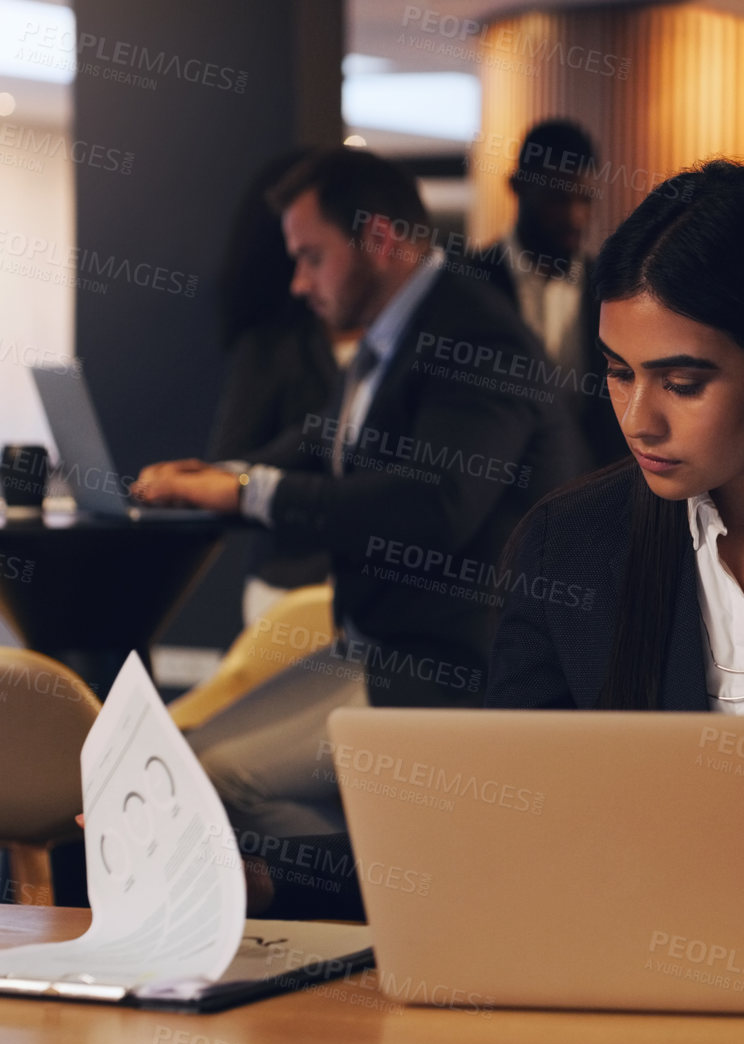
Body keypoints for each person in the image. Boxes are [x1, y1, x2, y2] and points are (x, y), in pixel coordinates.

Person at [235, 160, 744, 964]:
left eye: (683, 382)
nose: (638, 420)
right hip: (649, 972)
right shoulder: (570, 542)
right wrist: (272, 876)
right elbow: (503, 823)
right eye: (619, 372)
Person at [131, 148, 582, 835]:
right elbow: (323, 444)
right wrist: (217, 476)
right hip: (380, 645)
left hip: (456, 671)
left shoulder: (478, 339)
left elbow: (434, 507)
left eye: (312, 257)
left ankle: (394, 888)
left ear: (379, 240)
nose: (297, 283)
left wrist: (250, 491)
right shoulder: (390, 334)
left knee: (215, 782)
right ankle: (388, 869)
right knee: (189, 762)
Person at [206, 149, 348, 623]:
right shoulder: (272, 348)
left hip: (372, 593)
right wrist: (322, 432)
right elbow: (229, 463)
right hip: (290, 588)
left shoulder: (401, 342)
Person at [460, 118, 627, 469]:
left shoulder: (613, 287)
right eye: (557, 198)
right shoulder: (468, 282)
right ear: (517, 187)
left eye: (585, 199)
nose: (575, 217)